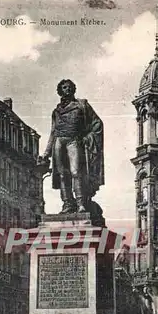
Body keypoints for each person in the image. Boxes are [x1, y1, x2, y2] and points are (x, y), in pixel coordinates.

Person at [41, 79, 104, 214]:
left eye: (69, 87)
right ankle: (68, 203)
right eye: (64, 87)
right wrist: (46, 153)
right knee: (63, 174)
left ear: (73, 89)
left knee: (76, 172)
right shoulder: (56, 111)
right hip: (59, 142)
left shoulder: (82, 105)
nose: (67, 89)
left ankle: (81, 203)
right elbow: (53, 132)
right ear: (60, 91)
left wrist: (87, 138)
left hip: (73, 141)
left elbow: (97, 123)